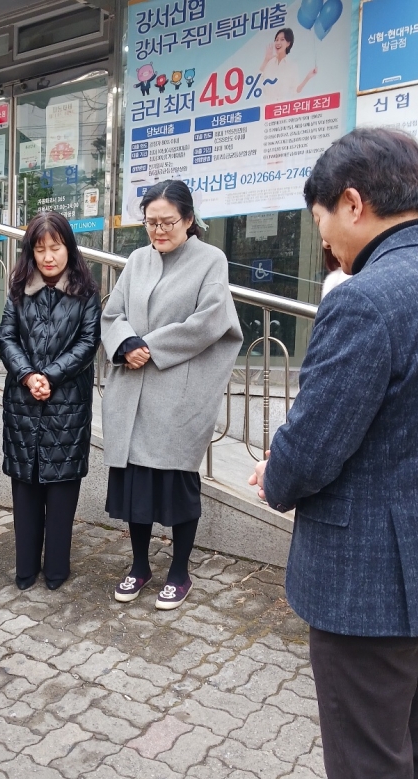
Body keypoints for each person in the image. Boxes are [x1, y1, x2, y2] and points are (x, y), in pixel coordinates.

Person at [250, 128, 418, 779]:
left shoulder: (366, 301)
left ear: (353, 203)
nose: (327, 243)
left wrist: (275, 472)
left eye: (322, 223)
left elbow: (312, 446)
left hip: (368, 592)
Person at [102, 180, 241, 610]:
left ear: (189, 219)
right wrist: (125, 343)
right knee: (135, 486)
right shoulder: (137, 260)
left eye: (168, 222)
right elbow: (112, 313)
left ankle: (180, 571)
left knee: (177, 482)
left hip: (178, 392)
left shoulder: (210, 260)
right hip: (133, 389)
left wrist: (150, 347)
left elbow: (210, 320)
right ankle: (139, 565)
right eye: (151, 222)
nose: (158, 230)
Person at [0, 211, 100, 590]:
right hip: (23, 404)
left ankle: (57, 568)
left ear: (68, 248)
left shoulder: (86, 293)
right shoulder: (18, 290)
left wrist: (51, 375)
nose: (48, 257)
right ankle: (25, 568)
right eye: (40, 249)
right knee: (25, 487)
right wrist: (28, 375)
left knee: (61, 491)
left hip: (68, 405)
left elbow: (88, 342)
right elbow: (6, 337)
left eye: (55, 247)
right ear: (31, 252)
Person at [260, 28, 317, 102]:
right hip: (265, 104)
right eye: (276, 40)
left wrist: (307, 77)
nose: (278, 42)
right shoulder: (269, 62)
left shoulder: (292, 65)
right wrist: (266, 60)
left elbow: (295, 90)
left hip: (282, 105)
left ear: (288, 43)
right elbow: (256, 81)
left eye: (282, 39)